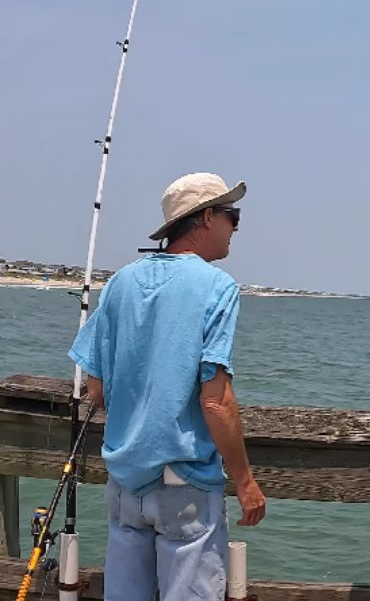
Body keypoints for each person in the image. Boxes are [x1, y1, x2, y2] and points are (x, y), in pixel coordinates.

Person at [68, 172, 267, 600]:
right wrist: (246, 482)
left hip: (124, 483)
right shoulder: (218, 287)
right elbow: (215, 400)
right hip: (186, 486)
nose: (236, 227)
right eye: (233, 216)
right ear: (207, 218)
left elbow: (96, 387)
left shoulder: (120, 281)